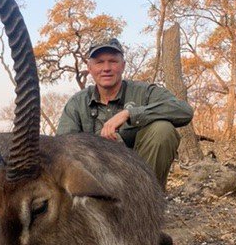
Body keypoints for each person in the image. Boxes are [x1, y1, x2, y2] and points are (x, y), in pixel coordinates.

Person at [56, 38, 194, 188]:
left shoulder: (144, 92)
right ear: (89, 68)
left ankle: (146, 204)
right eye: (99, 62)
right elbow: (61, 149)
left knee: (163, 129)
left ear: (123, 66)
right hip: (94, 183)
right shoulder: (76, 103)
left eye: (113, 61)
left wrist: (129, 114)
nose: (106, 68)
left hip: (139, 180)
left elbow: (184, 111)